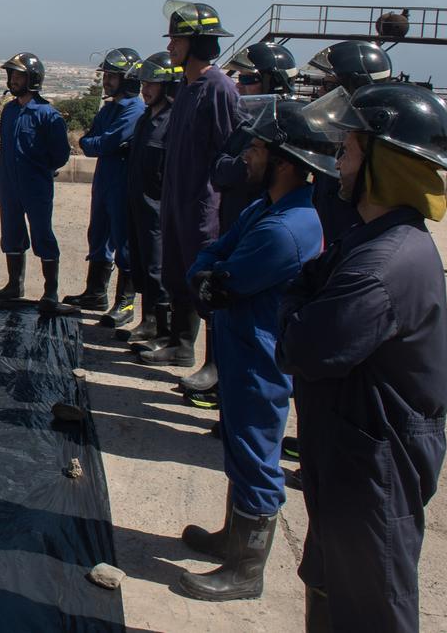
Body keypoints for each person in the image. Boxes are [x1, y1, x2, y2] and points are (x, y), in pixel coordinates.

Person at [277, 84, 447, 632]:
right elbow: (308, 292)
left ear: (384, 164)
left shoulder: (384, 264)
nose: (338, 165)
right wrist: (303, 300)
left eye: (349, 152)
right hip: (350, 448)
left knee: (372, 603)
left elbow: (303, 347)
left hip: (375, 462)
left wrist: (296, 306)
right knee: (330, 579)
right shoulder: (371, 241)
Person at [177, 98, 327, 601]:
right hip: (241, 347)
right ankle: (232, 538)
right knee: (240, 448)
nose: (248, 158)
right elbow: (214, 253)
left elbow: (222, 282)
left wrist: (206, 276)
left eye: (258, 150)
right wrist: (206, 272)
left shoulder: (286, 229)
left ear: (284, 162)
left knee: (257, 456)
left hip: (259, 358)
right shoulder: (269, 208)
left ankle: (245, 571)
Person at [190, 41, 298, 409]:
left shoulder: (290, 127)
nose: (239, 86)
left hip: (267, 224)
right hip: (239, 214)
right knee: (223, 295)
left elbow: (230, 167)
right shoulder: (248, 122)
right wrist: (240, 168)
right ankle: (218, 369)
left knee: (259, 314)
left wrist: (238, 169)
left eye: (250, 79)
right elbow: (220, 166)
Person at [139, 0, 239, 379]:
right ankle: (180, 345)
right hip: (176, 200)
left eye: (177, 40)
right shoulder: (186, 86)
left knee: (204, 280)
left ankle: (213, 363)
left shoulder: (219, 89)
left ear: (196, 43)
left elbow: (231, 151)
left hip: (201, 203)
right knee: (178, 272)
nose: (170, 48)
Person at [62, 48, 145, 330]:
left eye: (112, 76)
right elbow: (91, 141)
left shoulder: (134, 110)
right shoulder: (109, 108)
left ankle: (126, 303)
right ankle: (95, 293)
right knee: (98, 234)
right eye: (106, 75)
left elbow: (104, 143)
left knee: (123, 242)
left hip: (123, 182)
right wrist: (95, 144)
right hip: (105, 180)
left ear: (129, 78)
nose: (106, 81)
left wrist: (95, 144)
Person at [0, 53, 71, 313]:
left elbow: (60, 154)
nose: (13, 80)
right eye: (11, 75)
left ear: (32, 79)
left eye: (19, 76)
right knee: (11, 232)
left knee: (42, 234)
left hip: (36, 186)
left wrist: (40, 169)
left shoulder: (47, 115)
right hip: (9, 184)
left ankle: (50, 290)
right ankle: (14, 284)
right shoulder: (11, 111)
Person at [118, 52, 181, 348]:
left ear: (168, 86)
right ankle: (148, 322)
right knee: (142, 265)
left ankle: (165, 333)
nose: (146, 89)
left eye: (153, 83)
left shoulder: (173, 122)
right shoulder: (146, 120)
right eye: (144, 83)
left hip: (158, 209)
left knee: (158, 270)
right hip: (136, 204)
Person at [304, 40, 389, 243]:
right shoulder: (338, 136)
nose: (321, 92)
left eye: (330, 85)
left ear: (357, 86)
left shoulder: (375, 151)